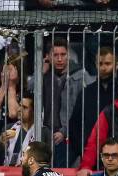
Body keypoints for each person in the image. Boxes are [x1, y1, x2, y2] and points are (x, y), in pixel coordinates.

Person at [42, 37, 94, 168]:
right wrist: (41, 71)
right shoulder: (45, 75)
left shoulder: (81, 76)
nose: (60, 59)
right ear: (48, 57)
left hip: (68, 136)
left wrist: (65, 131)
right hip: (45, 134)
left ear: (68, 55)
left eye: (63, 55)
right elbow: (29, 91)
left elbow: (85, 109)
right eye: (55, 55)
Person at [68, 46, 118, 164]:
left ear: (117, 65)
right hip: (91, 155)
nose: (103, 67)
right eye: (100, 63)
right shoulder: (87, 92)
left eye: (108, 63)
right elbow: (74, 124)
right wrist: (82, 149)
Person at [0, 93, 35, 166]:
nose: (19, 109)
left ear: (34, 111)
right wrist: (2, 145)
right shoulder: (8, 128)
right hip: (8, 173)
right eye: (19, 106)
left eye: (24, 107)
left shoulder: (43, 132)